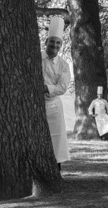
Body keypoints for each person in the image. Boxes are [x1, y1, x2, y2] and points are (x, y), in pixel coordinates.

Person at [42, 17, 71, 171]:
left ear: (61, 45)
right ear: (46, 42)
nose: (54, 45)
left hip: (53, 106)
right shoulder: (37, 58)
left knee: (56, 139)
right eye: (52, 41)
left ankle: (55, 170)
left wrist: (46, 88)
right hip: (36, 105)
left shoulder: (63, 65)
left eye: (58, 43)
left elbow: (63, 87)